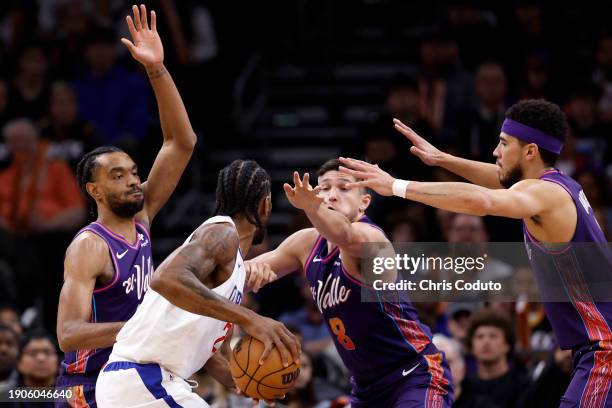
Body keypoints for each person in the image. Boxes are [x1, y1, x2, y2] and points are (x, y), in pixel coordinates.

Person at [338, 98, 612, 407]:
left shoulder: (545, 193)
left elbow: (484, 202)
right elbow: (500, 179)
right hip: (594, 350)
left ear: (530, 151)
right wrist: (443, 160)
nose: (495, 151)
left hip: (604, 350)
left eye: (503, 143)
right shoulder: (558, 184)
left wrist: (397, 186)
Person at [55, 5, 197, 407]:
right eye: (117, 175)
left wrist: (157, 70)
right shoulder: (90, 246)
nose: (134, 179)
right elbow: (68, 334)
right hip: (86, 387)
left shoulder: (142, 216)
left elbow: (180, 143)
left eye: (133, 172)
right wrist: (143, 325)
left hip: (129, 375)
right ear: (94, 191)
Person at [95, 159, 301, 407]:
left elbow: (199, 348)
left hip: (141, 382)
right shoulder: (223, 233)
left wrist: (245, 380)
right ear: (265, 205)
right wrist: (250, 318)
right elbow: (165, 278)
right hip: (143, 378)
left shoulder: (230, 267)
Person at [250, 159, 454, 407]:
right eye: (324, 188)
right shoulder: (305, 243)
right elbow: (243, 273)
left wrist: (313, 210)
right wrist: (250, 269)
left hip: (414, 374)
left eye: (344, 188)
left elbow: (344, 235)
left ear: (364, 203)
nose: (332, 196)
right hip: (366, 389)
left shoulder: (371, 238)